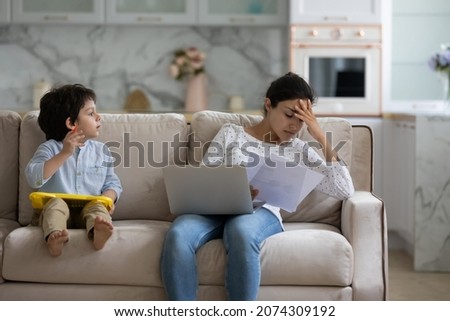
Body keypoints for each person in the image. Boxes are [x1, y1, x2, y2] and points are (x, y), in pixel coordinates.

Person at [160, 72, 355, 300]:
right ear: (268, 104)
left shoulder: (298, 149)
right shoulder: (231, 133)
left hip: (260, 213)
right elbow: (206, 173)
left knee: (241, 231)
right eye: (289, 114)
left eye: (302, 120)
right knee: (178, 233)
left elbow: (344, 189)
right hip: (215, 210)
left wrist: (320, 137)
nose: (294, 125)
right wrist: (235, 189)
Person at [25, 84, 122, 257]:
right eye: (91, 113)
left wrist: (109, 199)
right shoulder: (50, 149)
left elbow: (112, 183)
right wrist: (64, 154)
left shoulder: (102, 151)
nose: (99, 117)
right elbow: (34, 178)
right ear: (71, 123)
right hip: (55, 209)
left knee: (98, 208)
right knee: (56, 205)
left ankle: (98, 233)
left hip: (87, 209)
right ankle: (54, 237)